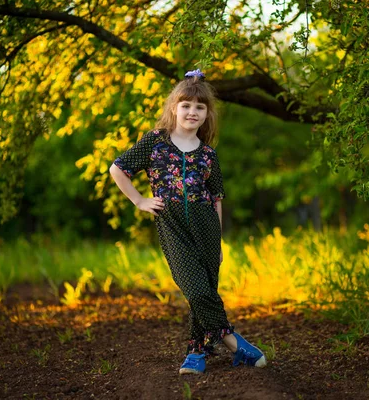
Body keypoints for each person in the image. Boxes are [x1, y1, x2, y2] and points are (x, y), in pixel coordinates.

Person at [109, 69, 266, 375]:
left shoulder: (208, 154)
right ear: (173, 108)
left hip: (206, 227)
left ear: (207, 114)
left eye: (199, 107)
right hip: (173, 227)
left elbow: (216, 198)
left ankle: (196, 354)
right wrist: (139, 200)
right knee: (194, 289)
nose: (192, 112)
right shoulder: (155, 142)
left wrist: (218, 240)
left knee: (206, 289)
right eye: (186, 105)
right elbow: (118, 169)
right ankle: (235, 342)